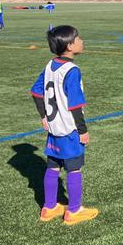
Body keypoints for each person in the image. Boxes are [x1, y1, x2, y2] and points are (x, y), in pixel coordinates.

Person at [29, 25, 99, 225]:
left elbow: (36, 91)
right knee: (74, 169)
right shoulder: (72, 70)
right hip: (69, 130)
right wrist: (83, 130)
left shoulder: (50, 65)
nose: (81, 41)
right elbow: (75, 104)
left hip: (53, 128)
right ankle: (74, 210)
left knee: (53, 166)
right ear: (69, 46)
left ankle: (49, 207)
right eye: (78, 38)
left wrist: (44, 116)